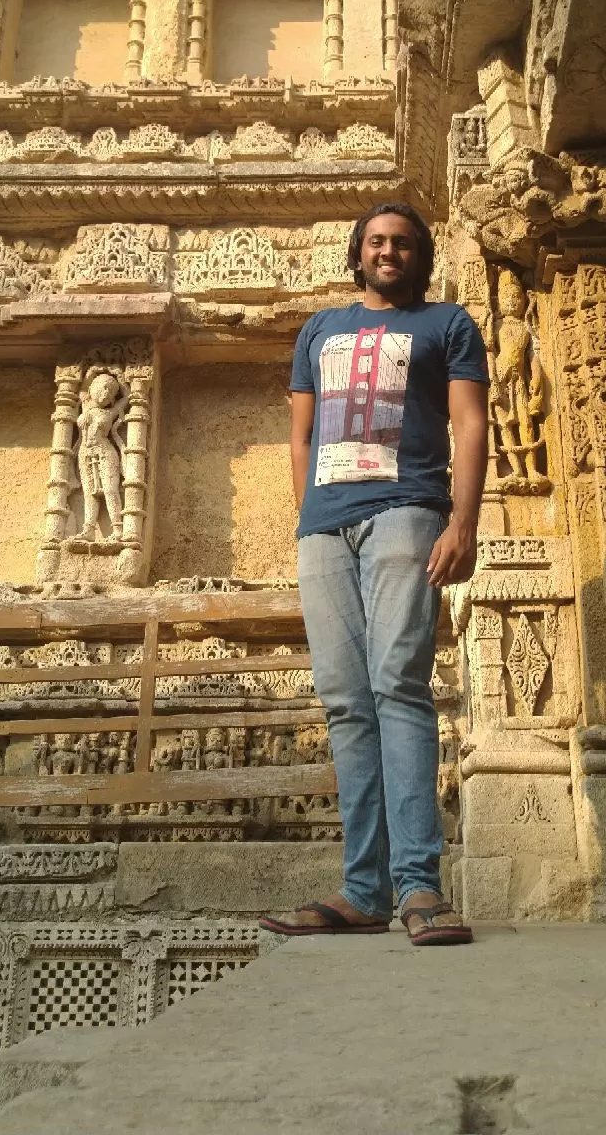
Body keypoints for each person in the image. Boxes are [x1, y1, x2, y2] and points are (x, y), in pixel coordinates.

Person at [259, 202, 489, 946]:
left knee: (397, 682)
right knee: (346, 701)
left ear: (420, 256)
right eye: (377, 243)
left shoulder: (446, 325)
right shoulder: (319, 330)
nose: (389, 252)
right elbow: (299, 435)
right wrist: (310, 519)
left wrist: (464, 523)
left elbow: (470, 424)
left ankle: (419, 884)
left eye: (403, 243)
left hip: (407, 511)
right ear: (357, 255)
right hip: (326, 527)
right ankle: (365, 888)